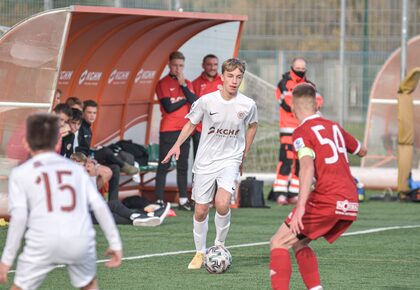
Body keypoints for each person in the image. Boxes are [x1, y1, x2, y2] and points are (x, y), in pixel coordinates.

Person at [0, 113, 123, 290]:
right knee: (89, 285)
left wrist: (6, 260)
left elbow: (19, 218)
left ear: (26, 143)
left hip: (42, 240)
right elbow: (99, 206)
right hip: (78, 238)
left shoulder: (21, 173)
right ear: (57, 143)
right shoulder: (76, 169)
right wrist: (115, 243)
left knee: (19, 288)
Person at [162, 58, 258, 269]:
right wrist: (177, 144)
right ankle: (199, 252)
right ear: (222, 78)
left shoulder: (248, 104)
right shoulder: (206, 101)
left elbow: (252, 126)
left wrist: (244, 152)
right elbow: (191, 123)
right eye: (230, 76)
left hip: (230, 159)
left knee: (223, 203)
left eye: (238, 77)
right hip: (205, 161)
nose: (234, 81)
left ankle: (219, 246)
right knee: (201, 211)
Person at [269, 84, 367, 290]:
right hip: (350, 199)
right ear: (316, 104)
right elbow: (362, 150)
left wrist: (301, 207)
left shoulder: (301, 132)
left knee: (278, 242)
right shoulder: (335, 127)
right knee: (298, 242)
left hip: (327, 198)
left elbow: (307, 168)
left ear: (293, 107)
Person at [272, 58, 324, 205]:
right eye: (298, 68)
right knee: (286, 160)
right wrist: (307, 106)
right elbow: (287, 103)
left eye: (303, 68)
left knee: (301, 161)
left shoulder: (309, 85)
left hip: (304, 129)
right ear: (292, 67)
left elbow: (319, 100)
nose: (300, 70)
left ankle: (294, 192)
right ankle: (280, 192)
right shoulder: (284, 83)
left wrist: (306, 107)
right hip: (288, 129)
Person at [154, 51, 197, 210]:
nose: (178, 69)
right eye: (175, 65)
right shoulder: (162, 83)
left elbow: (194, 102)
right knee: (164, 164)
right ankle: (158, 199)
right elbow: (169, 107)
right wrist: (185, 98)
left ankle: (183, 200)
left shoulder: (187, 82)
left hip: (184, 130)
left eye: (181, 66)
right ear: (169, 65)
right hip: (168, 130)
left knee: (183, 165)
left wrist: (183, 86)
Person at [191, 54, 223, 157]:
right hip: (201, 130)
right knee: (200, 161)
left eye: (215, 64)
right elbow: (193, 109)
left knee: (218, 161)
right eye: (209, 64)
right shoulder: (195, 84)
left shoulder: (224, 82)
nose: (213, 67)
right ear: (203, 65)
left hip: (221, 129)